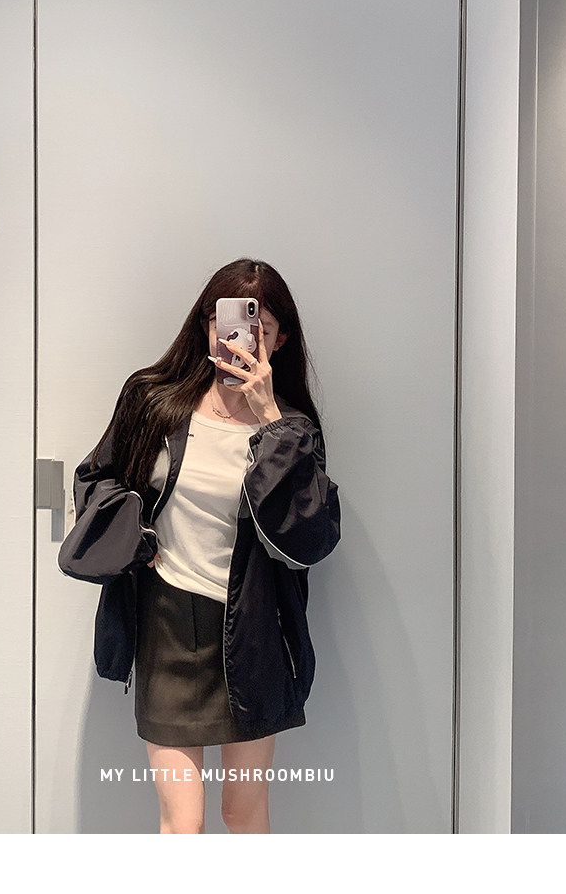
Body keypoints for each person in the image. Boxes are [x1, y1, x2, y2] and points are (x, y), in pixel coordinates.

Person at [59, 258, 341, 834]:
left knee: (243, 812)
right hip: (167, 625)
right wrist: (137, 537)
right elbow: (97, 478)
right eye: (226, 324)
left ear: (280, 340)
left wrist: (270, 420)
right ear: (205, 325)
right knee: (182, 823)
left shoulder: (292, 428)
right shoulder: (152, 401)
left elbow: (309, 537)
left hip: (255, 633)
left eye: (260, 330)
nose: (240, 341)